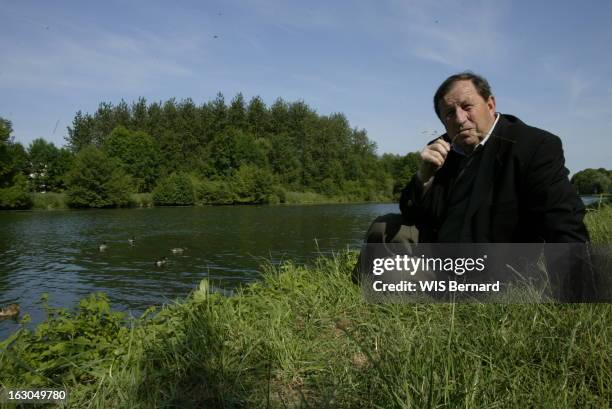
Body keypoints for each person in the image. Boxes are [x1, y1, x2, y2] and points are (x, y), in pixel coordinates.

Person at [358, 72, 593, 300]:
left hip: (495, 267)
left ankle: (432, 295)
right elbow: (412, 213)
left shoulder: (533, 146)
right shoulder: (443, 150)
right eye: (450, 113)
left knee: (389, 276)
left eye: (467, 106)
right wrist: (424, 177)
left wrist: (575, 285)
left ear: (490, 105)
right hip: (444, 253)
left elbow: (564, 220)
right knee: (383, 226)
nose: (460, 119)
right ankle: (365, 285)